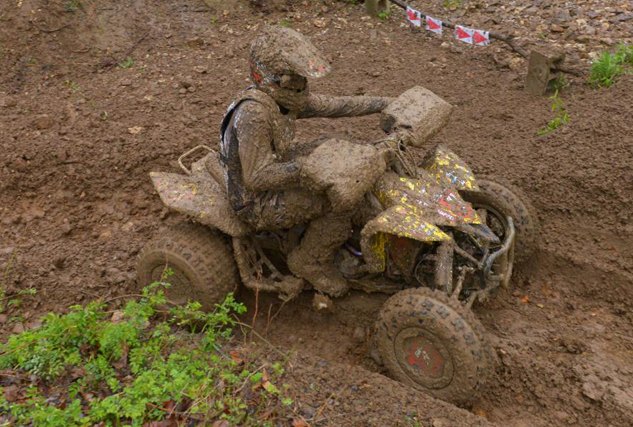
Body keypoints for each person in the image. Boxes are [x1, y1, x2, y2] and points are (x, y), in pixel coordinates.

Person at [219, 26, 392, 297]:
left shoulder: (285, 99)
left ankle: (348, 231)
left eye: (301, 80)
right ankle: (310, 261)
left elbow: (336, 106)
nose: (300, 88)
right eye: (292, 81)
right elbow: (256, 177)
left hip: (279, 166)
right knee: (340, 199)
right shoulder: (254, 114)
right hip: (255, 201)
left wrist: (385, 103)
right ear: (268, 78)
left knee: (339, 149)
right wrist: (306, 170)